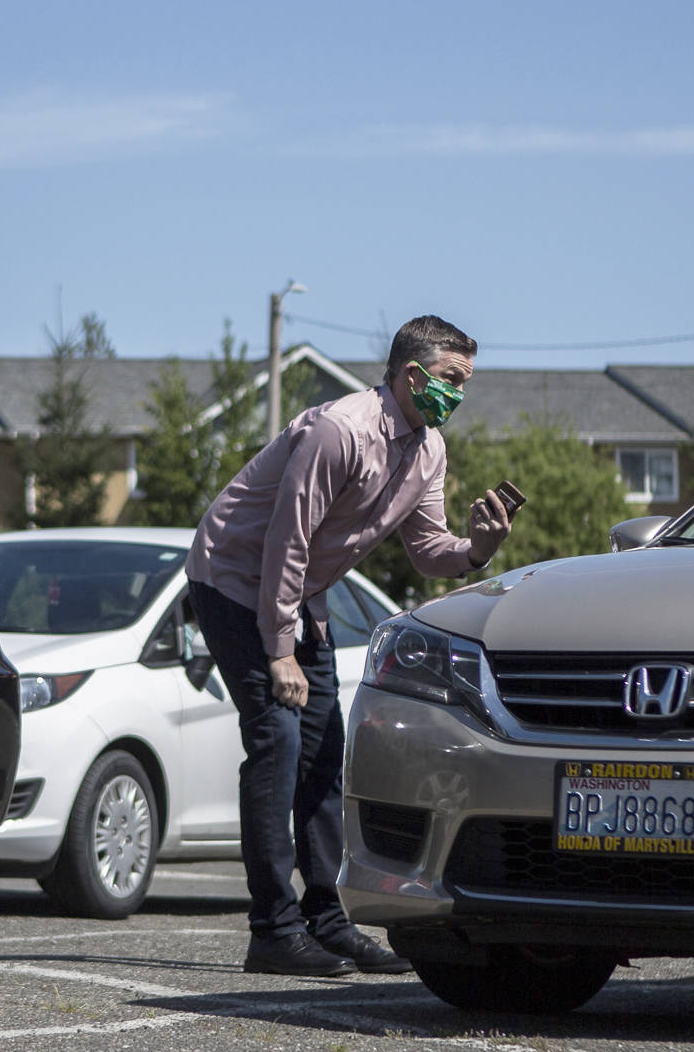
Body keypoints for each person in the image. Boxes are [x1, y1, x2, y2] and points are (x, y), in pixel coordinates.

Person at [186, 315, 514, 977]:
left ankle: (327, 921)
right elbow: (289, 537)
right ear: (411, 375)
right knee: (277, 742)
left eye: (466, 384)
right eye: (452, 380)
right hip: (232, 578)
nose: (459, 395)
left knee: (323, 753)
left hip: (301, 594)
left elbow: (428, 552)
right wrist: (279, 651)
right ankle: (272, 930)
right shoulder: (341, 430)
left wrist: (478, 547)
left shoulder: (427, 451)